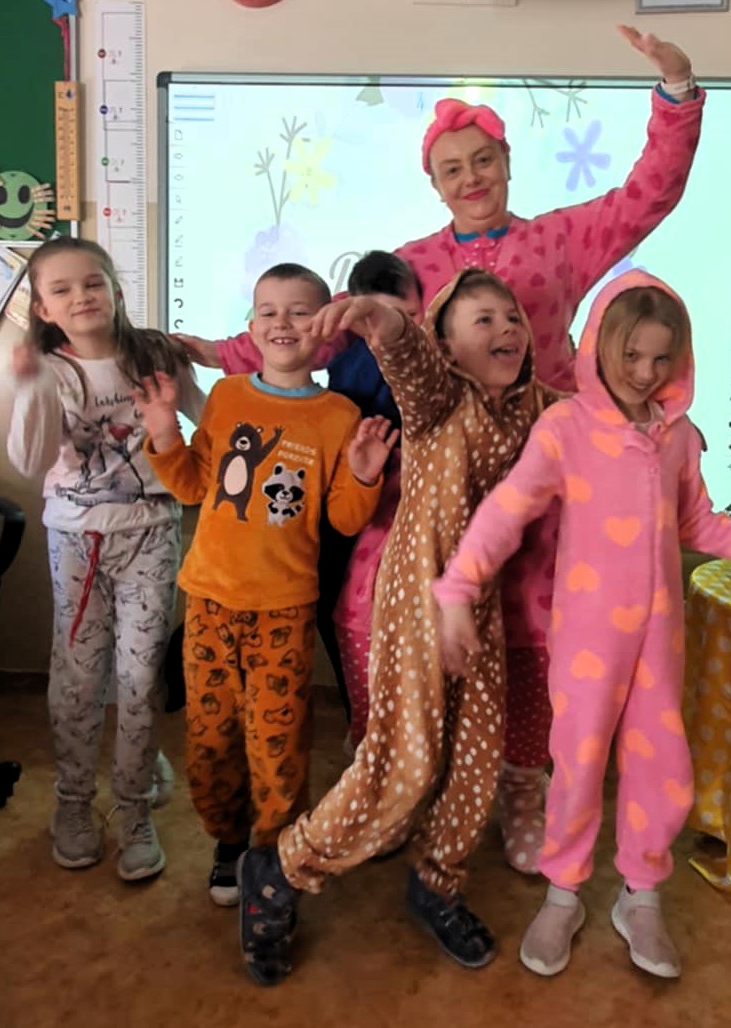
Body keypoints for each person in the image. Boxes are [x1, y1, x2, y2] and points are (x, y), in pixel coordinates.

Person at [178, 25, 706, 875]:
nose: (471, 178)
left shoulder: (563, 239)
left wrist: (676, 93)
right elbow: (323, 335)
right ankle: (388, 775)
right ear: (434, 182)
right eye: (452, 168)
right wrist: (214, 352)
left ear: (507, 163)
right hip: (436, 475)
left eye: (483, 161)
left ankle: (522, 787)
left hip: (542, 471)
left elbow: (649, 193)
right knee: (370, 600)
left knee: (535, 623)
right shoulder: (412, 263)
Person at [433, 271, 731, 981]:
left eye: (662, 358)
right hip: (587, 639)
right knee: (575, 765)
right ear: (600, 347)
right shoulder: (566, 429)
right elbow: (508, 510)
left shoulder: (677, 437)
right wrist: (458, 586)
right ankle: (563, 893)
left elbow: (696, 523)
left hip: (659, 641)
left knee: (661, 766)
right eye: (631, 355)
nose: (644, 373)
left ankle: (641, 896)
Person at [232, 268, 561, 987]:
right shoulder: (439, 397)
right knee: (402, 764)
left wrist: (655, 420)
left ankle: (437, 881)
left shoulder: (539, 408)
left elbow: (598, 421)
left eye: (511, 317)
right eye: (483, 320)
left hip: (481, 608)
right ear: (446, 344)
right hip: (416, 601)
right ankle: (280, 869)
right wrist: (374, 318)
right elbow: (405, 357)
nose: (506, 329)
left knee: (475, 758)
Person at [134, 262, 396, 910]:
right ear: (251, 328)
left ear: (324, 328)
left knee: (278, 743)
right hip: (209, 603)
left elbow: (343, 519)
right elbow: (192, 486)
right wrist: (164, 430)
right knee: (210, 738)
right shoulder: (226, 398)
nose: (283, 323)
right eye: (269, 312)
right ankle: (228, 840)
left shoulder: (339, 415)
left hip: (285, 611)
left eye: (300, 311)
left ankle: (272, 853)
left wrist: (365, 474)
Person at [7, 236, 205, 880]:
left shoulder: (154, 353)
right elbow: (29, 460)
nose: (81, 297)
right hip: (77, 540)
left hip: (151, 531)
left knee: (141, 677)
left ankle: (135, 804)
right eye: (61, 289)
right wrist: (31, 386)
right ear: (42, 308)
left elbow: (211, 421)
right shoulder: (49, 369)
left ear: (116, 289)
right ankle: (72, 802)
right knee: (79, 678)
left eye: (93, 282)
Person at [319, 251, 422, 749]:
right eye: (379, 317)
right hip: (354, 499)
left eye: (408, 316)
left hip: (402, 503)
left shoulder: (427, 356)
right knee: (344, 612)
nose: (395, 330)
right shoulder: (349, 360)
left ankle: (379, 728)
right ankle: (364, 727)